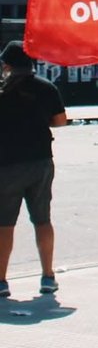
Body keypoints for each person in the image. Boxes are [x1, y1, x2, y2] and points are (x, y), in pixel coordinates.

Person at [0, 40, 67, 297]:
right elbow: (60, 121)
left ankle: (2, 281)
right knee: (42, 219)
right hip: (40, 160)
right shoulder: (45, 88)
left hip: (6, 164)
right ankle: (48, 276)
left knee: (4, 224)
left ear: (7, 65)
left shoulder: (3, 91)